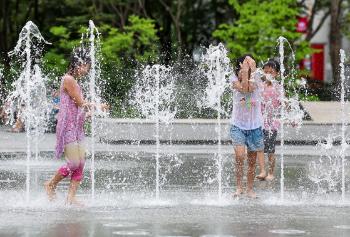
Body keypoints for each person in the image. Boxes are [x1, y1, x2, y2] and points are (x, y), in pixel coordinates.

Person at [44, 47, 92, 206]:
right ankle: (51, 184)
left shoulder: (75, 81)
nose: (87, 70)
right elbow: (80, 103)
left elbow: (78, 107)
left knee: (81, 163)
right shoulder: (68, 79)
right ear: (80, 63)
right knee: (73, 163)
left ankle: (70, 198)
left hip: (77, 127)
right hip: (68, 127)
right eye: (87, 66)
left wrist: (88, 113)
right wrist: (97, 105)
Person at [230, 54, 264, 198]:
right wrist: (244, 71)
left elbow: (250, 88)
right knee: (239, 156)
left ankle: (249, 189)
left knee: (251, 160)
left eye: (249, 64)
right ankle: (239, 187)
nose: (247, 66)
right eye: (244, 64)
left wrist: (252, 70)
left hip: (255, 126)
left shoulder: (257, 77)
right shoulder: (232, 79)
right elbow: (244, 89)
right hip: (238, 125)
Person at [256, 59, 281, 181]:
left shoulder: (279, 88)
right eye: (266, 72)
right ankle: (262, 171)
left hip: (272, 124)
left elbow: (284, 104)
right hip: (259, 123)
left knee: (270, 150)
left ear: (277, 74)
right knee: (259, 148)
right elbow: (253, 102)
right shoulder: (259, 86)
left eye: (271, 72)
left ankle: (271, 172)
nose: (268, 75)